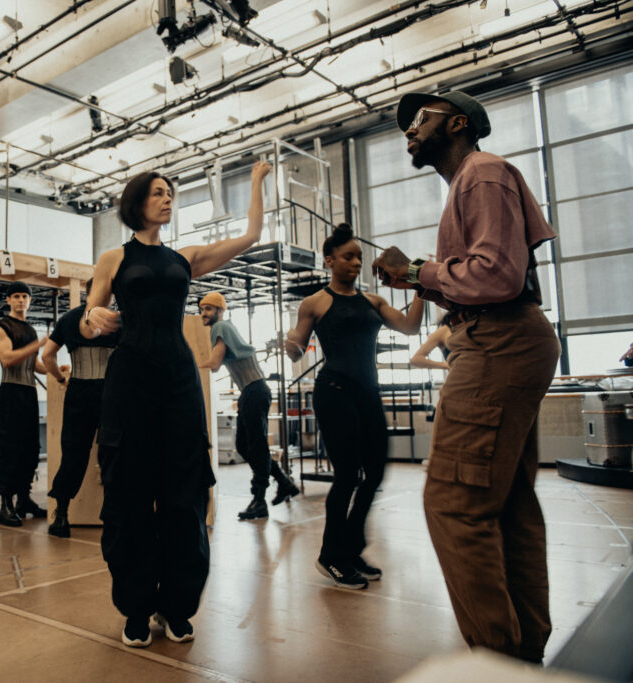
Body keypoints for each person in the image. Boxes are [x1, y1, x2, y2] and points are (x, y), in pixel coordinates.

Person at [373, 90, 560, 662]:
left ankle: (498, 661)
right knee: (506, 503)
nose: (407, 130)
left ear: (456, 123)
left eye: (418, 121)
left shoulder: (481, 174)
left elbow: (498, 274)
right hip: (504, 335)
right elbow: (484, 272)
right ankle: (523, 652)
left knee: (454, 503)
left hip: (497, 338)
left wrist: (414, 269)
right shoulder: (472, 184)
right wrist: (418, 279)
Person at [83, 159, 272, 647]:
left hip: (178, 382)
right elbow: (86, 317)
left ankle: (177, 606)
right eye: (159, 193)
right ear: (136, 203)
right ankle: (136, 607)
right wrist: (97, 317)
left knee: (184, 496)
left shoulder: (184, 258)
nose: (168, 199)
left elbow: (251, 235)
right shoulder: (113, 258)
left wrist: (255, 182)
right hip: (130, 382)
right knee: (128, 496)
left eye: (171, 193)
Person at [285, 224, 424, 589]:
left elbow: (410, 328)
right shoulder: (315, 302)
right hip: (334, 390)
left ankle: (349, 548)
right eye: (348, 256)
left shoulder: (373, 302)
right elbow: (297, 345)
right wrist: (289, 345)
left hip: (367, 392)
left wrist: (422, 286)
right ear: (330, 261)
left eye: (360, 256)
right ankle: (331, 556)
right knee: (348, 475)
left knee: (375, 474)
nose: (357, 262)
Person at [197, 291, 299, 520]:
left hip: (255, 390)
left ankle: (259, 500)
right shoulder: (226, 328)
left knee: (257, 446)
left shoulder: (220, 328)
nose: (204, 313)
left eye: (209, 309)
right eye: (202, 308)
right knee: (244, 445)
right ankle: (283, 482)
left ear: (220, 311)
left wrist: (187, 366)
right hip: (250, 392)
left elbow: (214, 363)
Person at [41, 279, 118, 538]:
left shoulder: (70, 318)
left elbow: (47, 356)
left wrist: (62, 379)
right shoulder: (118, 320)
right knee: (112, 453)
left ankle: (61, 515)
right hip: (110, 392)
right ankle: (113, 515)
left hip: (79, 391)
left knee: (74, 453)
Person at [0, 281, 49, 527]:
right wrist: (36, 346)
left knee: (30, 447)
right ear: (8, 300)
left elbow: (34, 364)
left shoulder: (31, 330)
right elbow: (7, 359)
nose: (20, 300)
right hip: (11, 392)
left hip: (28, 393)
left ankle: (24, 499)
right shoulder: (1, 328)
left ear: (30, 301)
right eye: (15, 296)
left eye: (24, 296)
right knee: (10, 447)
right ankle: (5, 503)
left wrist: (58, 371)